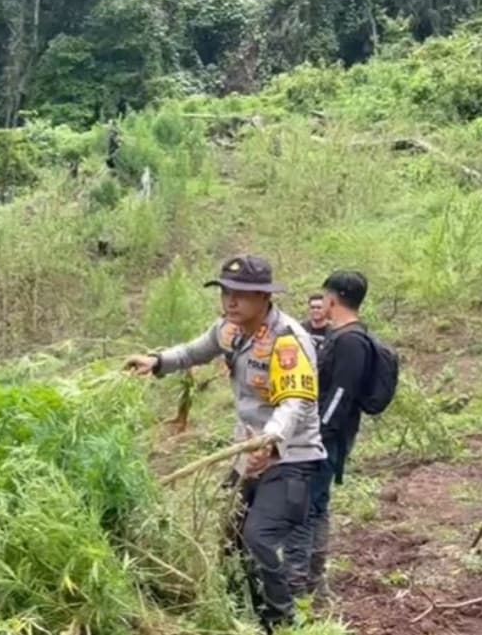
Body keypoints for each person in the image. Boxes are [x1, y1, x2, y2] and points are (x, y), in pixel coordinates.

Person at [126, 255, 325, 633]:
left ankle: (281, 622)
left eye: (241, 294)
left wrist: (271, 439)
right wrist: (156, 361)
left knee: (258, 538)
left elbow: (295, 402)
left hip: (290, 456)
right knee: (230, 541)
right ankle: (235, 615)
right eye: (226, 293)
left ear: (265, 298)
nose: (230, 301)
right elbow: (192, 352)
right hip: (245, 454)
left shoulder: (287, 340)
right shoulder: (230, 331)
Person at [288, 271, 372, 600]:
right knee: (317, 506)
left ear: (333, 299)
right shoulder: (344, 336)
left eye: (324, 298)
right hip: (329, 436)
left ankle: (301, 586)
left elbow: (340, 393)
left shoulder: (350, 341)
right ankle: (313, 583)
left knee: (306, 507)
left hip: (327, 439)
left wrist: (319, 434)